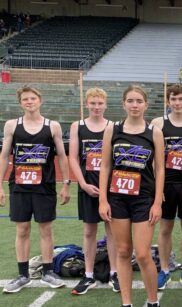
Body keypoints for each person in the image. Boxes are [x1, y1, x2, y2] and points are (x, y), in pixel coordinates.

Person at [99, 85, 165, 307]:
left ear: (146, 105)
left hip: (144, 198)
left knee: (143, 253)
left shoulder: (154, 132)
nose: (135, 104)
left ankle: (153, 302)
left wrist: (158, 202)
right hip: (117, 198)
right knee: (123, 252)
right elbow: (105, 166)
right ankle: (126, 305)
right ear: (124, 104)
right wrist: (103, 199)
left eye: (139, 101)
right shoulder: (112, 130)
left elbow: (160, 169)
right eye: (130, 100)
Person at [0, 86, 71, 293]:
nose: (29, 102)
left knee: (46, 229)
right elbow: (3, 156)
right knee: (22, 229)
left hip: (44, 186)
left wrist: (66, 183)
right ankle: (22, 275)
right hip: (19, 186)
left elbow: (62, 157)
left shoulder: (52, 126)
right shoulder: (12, 126)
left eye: (33, 98)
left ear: (40, 100)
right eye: (25, 99)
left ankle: (48, 271)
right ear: (20, 102)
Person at [151, 84, 182, 291]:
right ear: (168, 101)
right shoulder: (157, 123)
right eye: (173, 99)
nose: (177, 103)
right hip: (167, 183)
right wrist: (157, 186)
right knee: (165, 228)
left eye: (181, 99)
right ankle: (164, 269)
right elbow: (154, 159)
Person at [68, 88, 119, 295]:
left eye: (100, 103)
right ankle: (88, 274)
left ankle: (114, 272)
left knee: (112, 231)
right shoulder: (77, 126)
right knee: (89, 231)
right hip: (88, 185)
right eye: (93, 103)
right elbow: (73, 157)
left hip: (110, 187)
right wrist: (82, 184)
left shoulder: (113, 126)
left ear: (106, 105)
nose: (96, 107)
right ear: (87, 104)